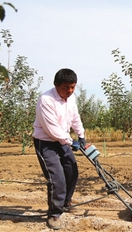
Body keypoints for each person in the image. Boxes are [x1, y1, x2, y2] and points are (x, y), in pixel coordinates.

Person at [32, 68, 87, 230]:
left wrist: (81, 135)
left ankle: (65, 202)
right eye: (66, 87)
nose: (70, 91)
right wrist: (71, 141)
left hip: (63, 141)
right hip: (47, 143)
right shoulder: (46, 100)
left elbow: (75, 118)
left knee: (72, 172)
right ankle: (54, 214)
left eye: (73, 87)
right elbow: (52, 129)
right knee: (57, 179)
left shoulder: (71, 99)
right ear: (56, 85)